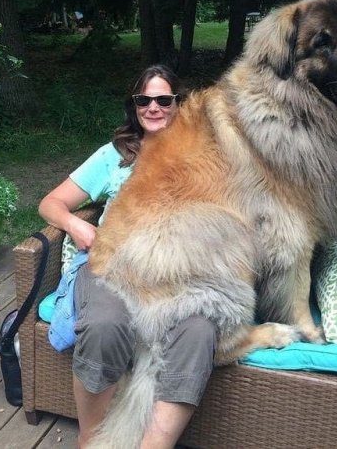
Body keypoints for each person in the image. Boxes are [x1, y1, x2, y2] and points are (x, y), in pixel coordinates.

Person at [39, 65, 216, 449]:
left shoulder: (201, 156)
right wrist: (75, 224)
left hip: (176, 275)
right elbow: (50, 203)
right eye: (143, 100)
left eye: (163, 100)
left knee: (199, 330)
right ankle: (90, 441)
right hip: (112, 265)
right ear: (133, 106)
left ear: (178, 104)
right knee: (105, 323)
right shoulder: (114, 156)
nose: (153, 107)